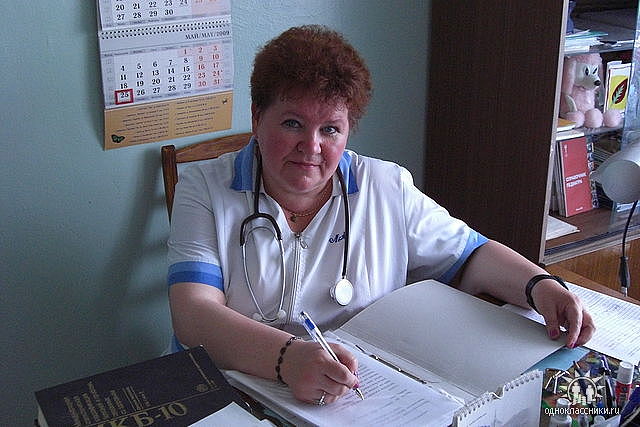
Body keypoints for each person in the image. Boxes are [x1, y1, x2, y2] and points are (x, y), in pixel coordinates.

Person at [167, 24, 595, 406]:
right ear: (258, 117)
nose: (311, 146)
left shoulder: (385, 187)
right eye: (293, 123)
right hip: (232, 389)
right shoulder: (205, 187)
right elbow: (192, 314)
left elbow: (472, 255)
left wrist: (541, 286)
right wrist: (286, 359)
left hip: (355, 396)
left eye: (330, 129)